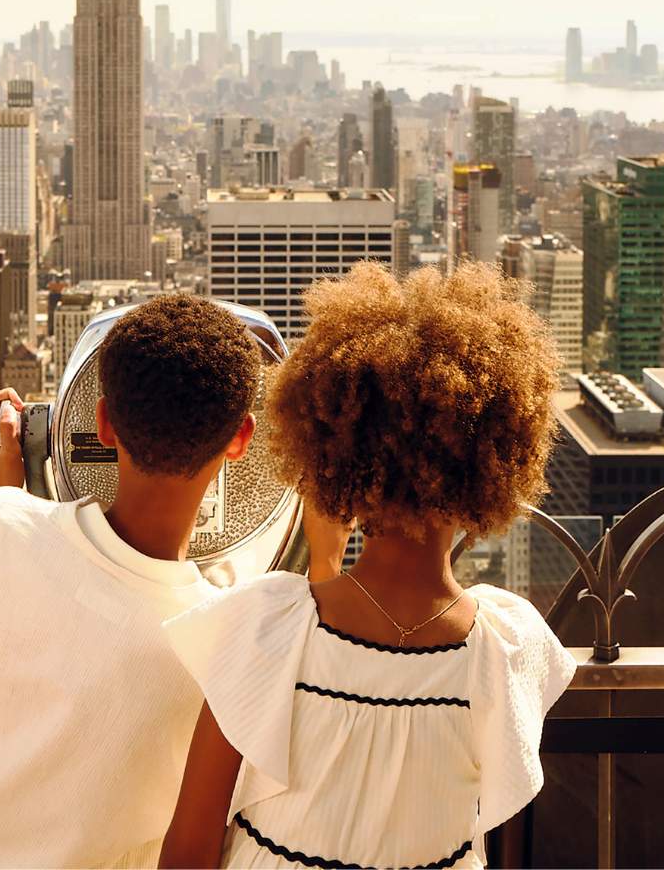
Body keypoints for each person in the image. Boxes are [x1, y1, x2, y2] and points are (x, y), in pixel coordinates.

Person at [0, 293, 344, 870]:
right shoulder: (230, 644)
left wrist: (3, 503)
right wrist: (322, 563)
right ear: (243, 439)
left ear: (99, 422)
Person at [159, 262, 576, 870]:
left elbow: (189, 848)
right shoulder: (506, 652)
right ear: (496, 459)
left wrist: (325, 558)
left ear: (335, 453)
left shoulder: (265, 628)